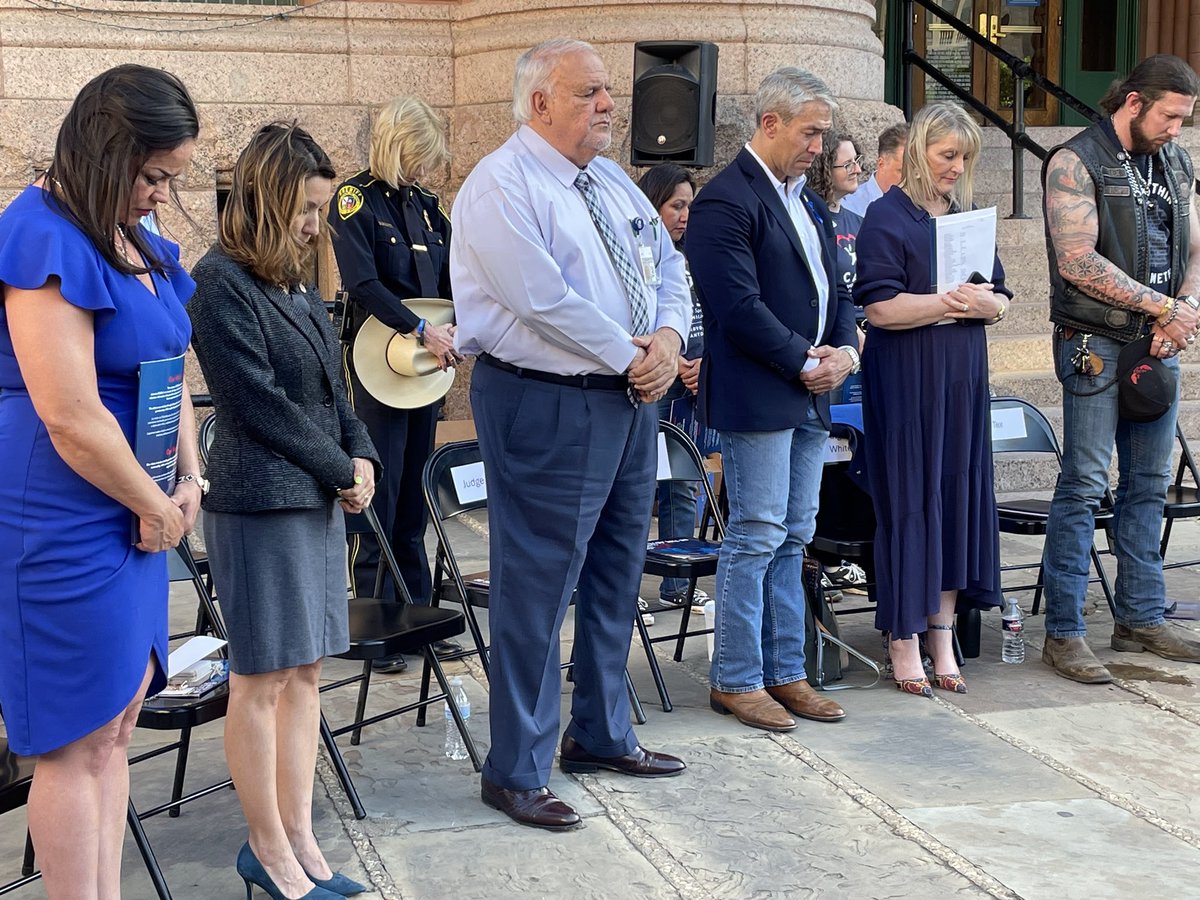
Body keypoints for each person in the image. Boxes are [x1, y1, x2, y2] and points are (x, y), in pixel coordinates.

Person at [451, 38, 691, 830]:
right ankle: (515, 767)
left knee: (620, 570)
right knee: (538, 586)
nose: (609, 106)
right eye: (590, 92)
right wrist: (634, 355)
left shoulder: (612, 179)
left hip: (628, 398)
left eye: (609, 93)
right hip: (546, 402)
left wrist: (667, 342)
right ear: (540, 102)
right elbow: (540, 299)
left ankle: (602, 733)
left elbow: (668, 268)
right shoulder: (501, 184)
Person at [0, 64, 200, 896]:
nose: (161, 195)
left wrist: (193, 478)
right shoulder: (42, 229)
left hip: (142, 512)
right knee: (77, 738)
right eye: (152, 175)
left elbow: (169, 367)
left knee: (118, 723)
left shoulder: (137, 238)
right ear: (106, 151)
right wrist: (157, 503)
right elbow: (72, 412)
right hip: (66, 515)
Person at [190, 123, 379, 899]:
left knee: (305, 673)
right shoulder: (220, 280)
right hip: (260, 503)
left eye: (321, 209)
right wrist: (342, 467)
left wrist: (361, 451)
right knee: (261, 679)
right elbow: (257, 405)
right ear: (268, 197)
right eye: (306, 209)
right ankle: (264, 848)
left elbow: (334, 389)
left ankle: (301, 833)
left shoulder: (291, 280)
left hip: (312, 499)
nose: (316, 225)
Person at [686, 67, 857, 732]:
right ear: (770, 123)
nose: (820, 145)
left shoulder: (806, 201)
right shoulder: (725, 200)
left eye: (824, 133)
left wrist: (844, 353)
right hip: (761, 393)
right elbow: (737, 305)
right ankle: (735, 678)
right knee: (755, 536)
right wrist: (802, 359)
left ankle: (789, 672)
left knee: (795, 537)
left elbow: (838, 290)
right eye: (811, 132)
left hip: (812, 393)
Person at [1040, 54, 1200, 683]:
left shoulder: (1176, 161)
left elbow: (1194, 244)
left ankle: (1139, 615)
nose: (1177, 130)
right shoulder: (1076, 160)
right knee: (1083, 482)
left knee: (1147, 482)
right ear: (1132, 102)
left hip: (1161, 341)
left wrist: (1182, 310)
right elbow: (1077, 261)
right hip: (1096, 342)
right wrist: (1165, 308)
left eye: (1184, 120)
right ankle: (1064, 631)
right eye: (1169, 117)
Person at [854, 102, 1009, 697]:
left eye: (964, 158)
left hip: (963, 376)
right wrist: (949, 302)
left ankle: (943, 633)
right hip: (909, 380)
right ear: (919, 151)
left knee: (955, 497)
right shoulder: (885, 217)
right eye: (948, 155)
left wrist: (989, 305)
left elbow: (1000, 296)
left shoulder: (966, 214)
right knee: (914, 502)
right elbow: (880, 307)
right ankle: (903, 636)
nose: (956, 167)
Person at [328, 96, 462, 673]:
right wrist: (421, 327)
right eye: (416, 157)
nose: (423, 171)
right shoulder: (353, 199)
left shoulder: (429, 207)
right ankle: (374, 619)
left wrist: (459, 327)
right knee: (376, 491)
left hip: (424, 367)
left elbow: (459, 271)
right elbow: (361, 281)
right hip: (379, 361)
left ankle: (419, 617)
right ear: (393, 145)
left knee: (413, 498)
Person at [636, 163, 711, 613]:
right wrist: (673, 358)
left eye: (690, 206)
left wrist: (705, 362)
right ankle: (623, 586)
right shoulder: (640, 249)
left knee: (684, 481)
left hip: (693, 384)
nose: (685, 215)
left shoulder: (699, 252)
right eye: (676, 206)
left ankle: (676, 580)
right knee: (639, 485)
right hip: (652, 378)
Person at [841, 122, 907, 217]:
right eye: (903, 172)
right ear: (881, 164)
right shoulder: (850, 206)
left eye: (917, 172)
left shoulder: (924, 205)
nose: (911, 179)